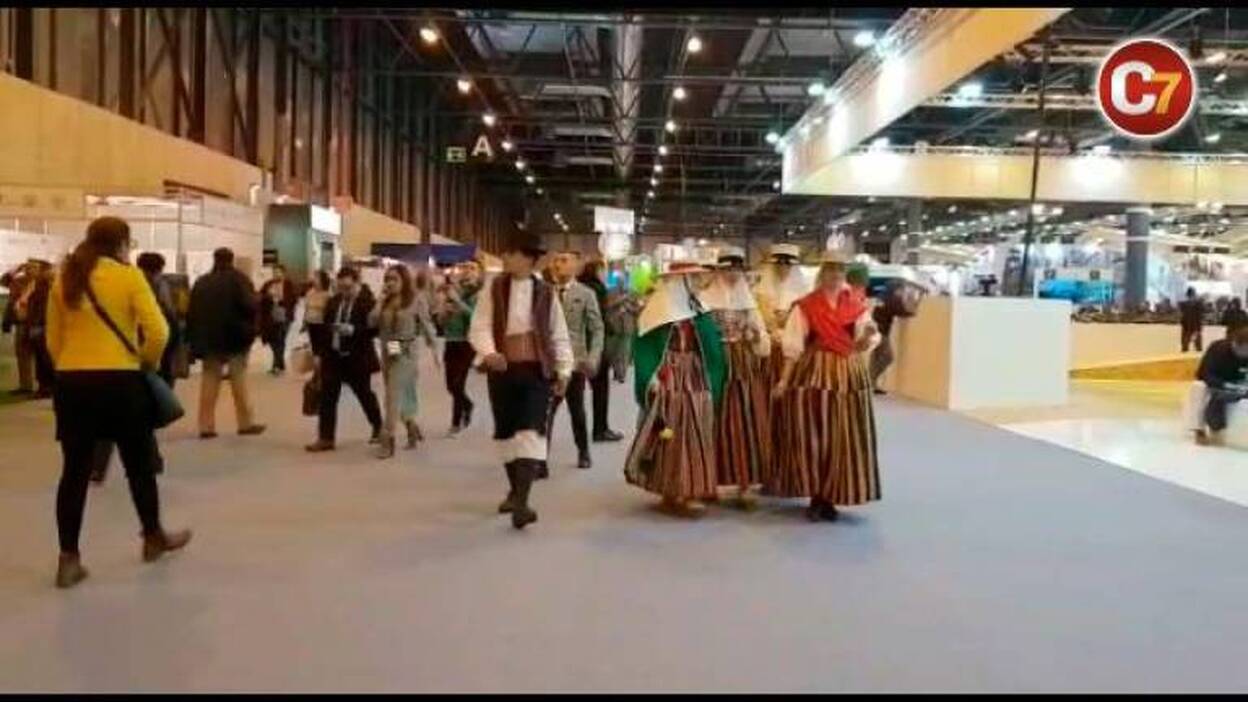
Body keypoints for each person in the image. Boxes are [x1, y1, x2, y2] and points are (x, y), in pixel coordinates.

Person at [44, 216, 190, 589]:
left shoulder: (66, 279)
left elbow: (53, 339)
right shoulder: (129, 277)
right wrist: (146, 362)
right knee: (139, 465)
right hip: (121, 381)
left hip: (73, 384)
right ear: (121, 244)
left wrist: (71, 366)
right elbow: (158, 331)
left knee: (74, 472)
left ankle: (68, 559)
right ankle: (153, 537)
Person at [467, 231, 574, 530]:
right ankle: (515, 492)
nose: (505, 257)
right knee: (506, 431)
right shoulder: (494, 288)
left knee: (531, 430)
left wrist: (564, 370)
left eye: (511, 253)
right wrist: (489, 353)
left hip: (536, 371)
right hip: (502, 371)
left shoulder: (546, 293)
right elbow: (479, 326)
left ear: (527, 258)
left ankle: (523, 503)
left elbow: (558, 334)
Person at [772, 251, 881, 522]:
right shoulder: (806, 306)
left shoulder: (856, 307)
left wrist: (867, 337)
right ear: (822, 272)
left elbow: (861, 343)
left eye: (839, 270)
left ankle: (831, 495)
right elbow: (794, 347)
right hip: (814, 377)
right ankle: (816, 494)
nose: (834, 275)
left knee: (842, 438)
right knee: (813, 436)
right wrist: (784, 380)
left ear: (844, 274)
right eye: (830, 269)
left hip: (847, 378)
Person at [623, 261, 726, 518]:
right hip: (669, 376)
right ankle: (672, 490)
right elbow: (645, 347)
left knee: (697, 429)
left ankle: (691, 487)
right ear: (680, 281)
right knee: (670, 431)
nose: (697, 283)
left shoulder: (697, 309)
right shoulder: (657, 311)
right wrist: (651, 376)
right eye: (692, 278)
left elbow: (711, 346)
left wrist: (712, 372)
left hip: (695, 376)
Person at [700, 247, 770, 509]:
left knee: (745, 422)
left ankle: (745, 483)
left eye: (737, 269)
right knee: (711, 420)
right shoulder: (704, 298)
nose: (732, 273)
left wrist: (755, 336)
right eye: (728, 268)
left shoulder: (748, 301)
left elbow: (762, 340)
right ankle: (707, 481)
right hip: (713, 361)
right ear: (719, 270)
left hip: (742, 364)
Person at [187, 247, 266, 439]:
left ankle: (206, 426)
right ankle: (245, 423)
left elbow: (192, 311)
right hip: (235, 338)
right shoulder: (239, 279)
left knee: (209, 380)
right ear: (232, 260)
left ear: (214, 260)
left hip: (209, 339)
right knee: (238, 379)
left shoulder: (202, 281)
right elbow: (250, 305)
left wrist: (194, 339)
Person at [306, 266, 384, 452]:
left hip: (357, 358)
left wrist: (354, 330)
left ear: (357, 284)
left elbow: (376, 330)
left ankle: (378, 426)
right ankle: (326, 438)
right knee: (328, 398)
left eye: (348, 288)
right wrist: (319, 355)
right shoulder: (333, 302)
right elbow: (324, 329)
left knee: (364, 395)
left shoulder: (368, 303)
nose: (345, 292)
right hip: (333, 357)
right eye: (341, 288)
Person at [370, 264, 437, 459]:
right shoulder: (385, 301)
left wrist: (434, 349)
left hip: (406, 349)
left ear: (404, 280)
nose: (390, 283)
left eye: (395, 279)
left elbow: (427, 324)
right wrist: (379, 301)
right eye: (387, 279)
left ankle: (388, 439)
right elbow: (371, 321)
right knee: (400, 393)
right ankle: (411, 426)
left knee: (392, 395)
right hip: (389, 348)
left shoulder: (415, 299)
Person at [547, 250, 605, 471]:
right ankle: (540, 459)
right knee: (546, 412)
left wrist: (593, 357)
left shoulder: (586, 294)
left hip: (575, 362)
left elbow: (597, 329)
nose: (557, 264)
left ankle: (583, 451)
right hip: (549, 362)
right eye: (555, 260)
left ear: (575, 266)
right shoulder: (544, 292)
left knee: (577, 410)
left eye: (564, 260)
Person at [579, 258, 623, 443]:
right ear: (596, 270)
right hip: (595, 346)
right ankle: (600, 429)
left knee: (573, 395)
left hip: (578, 344)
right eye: (603, 270)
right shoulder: (597, 289)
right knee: (600, 390)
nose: (605, 274)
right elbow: (599, 317)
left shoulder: (579, 287)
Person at [438, 259, 482, 434]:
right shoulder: (453, 293)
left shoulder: (478, 295)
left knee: (457, 384)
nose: (467, 271)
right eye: (464, 267)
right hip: (451, 342)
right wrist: (444, 313)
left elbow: (476, 319)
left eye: (472, 268)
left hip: (466, 344)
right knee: (450, 386)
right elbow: (440, 323)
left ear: (478, 274)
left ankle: (456, 422)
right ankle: (468, 404)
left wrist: (459, 303)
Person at [1193, 326, 1248, 446]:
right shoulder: (1218, 349)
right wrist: (1226, 385)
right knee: (1217, 395)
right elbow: (1205, 374)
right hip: (1216, 382)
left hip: (1239, 384)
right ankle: (1211, 427)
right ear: (1236, 344)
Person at [870, 280, 921, 395]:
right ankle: (870, 380)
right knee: (888, 357)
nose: (901, 292)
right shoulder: (889, 300)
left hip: (878, 330)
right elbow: (902, 312)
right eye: (900, 290)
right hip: (881, 331)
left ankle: (872, 383)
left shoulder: (883, 298)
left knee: (876, 357)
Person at [2, 262, 37, 396]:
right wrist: (16, 270)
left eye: (32, 267)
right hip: (21, 322)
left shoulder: (39, 283)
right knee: (22, 354)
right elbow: (3, 281)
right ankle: (25, 385)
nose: (29, 270)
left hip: (34, 322)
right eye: (27, 268)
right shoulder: (18, 281)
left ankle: (44, 386)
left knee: (40, 356)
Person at [24, 261, 56, 399]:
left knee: (45, 359)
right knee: (40, 359)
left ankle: (47, 387)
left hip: (42, 325)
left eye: (33, 268)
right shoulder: (34, 285)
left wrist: (37, 324)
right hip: (36, 324)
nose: (28, 270)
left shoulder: (44, 286)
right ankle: (44, 387)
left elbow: (43, 308)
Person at [258, 264, 298, 376]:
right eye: (274, 272)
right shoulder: (268, 284)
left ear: (283, 273)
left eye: (278, 272)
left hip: (285, 316)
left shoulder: (289, 285)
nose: (276, 274)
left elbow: (294, 299)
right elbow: (260, 297)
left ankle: (276, 366)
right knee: (273, 340)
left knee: (280, 339)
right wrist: (268, 296)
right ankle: (280, 364)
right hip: (270, 317)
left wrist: (281, 300)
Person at [1179, 287, 1206, 353]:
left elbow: (1201, 314)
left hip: (1191, 326)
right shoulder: (1186, 304)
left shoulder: (1197, 304)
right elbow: (1201, 314)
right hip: (1190, 326)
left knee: (1190, 345)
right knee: (1188, 345)